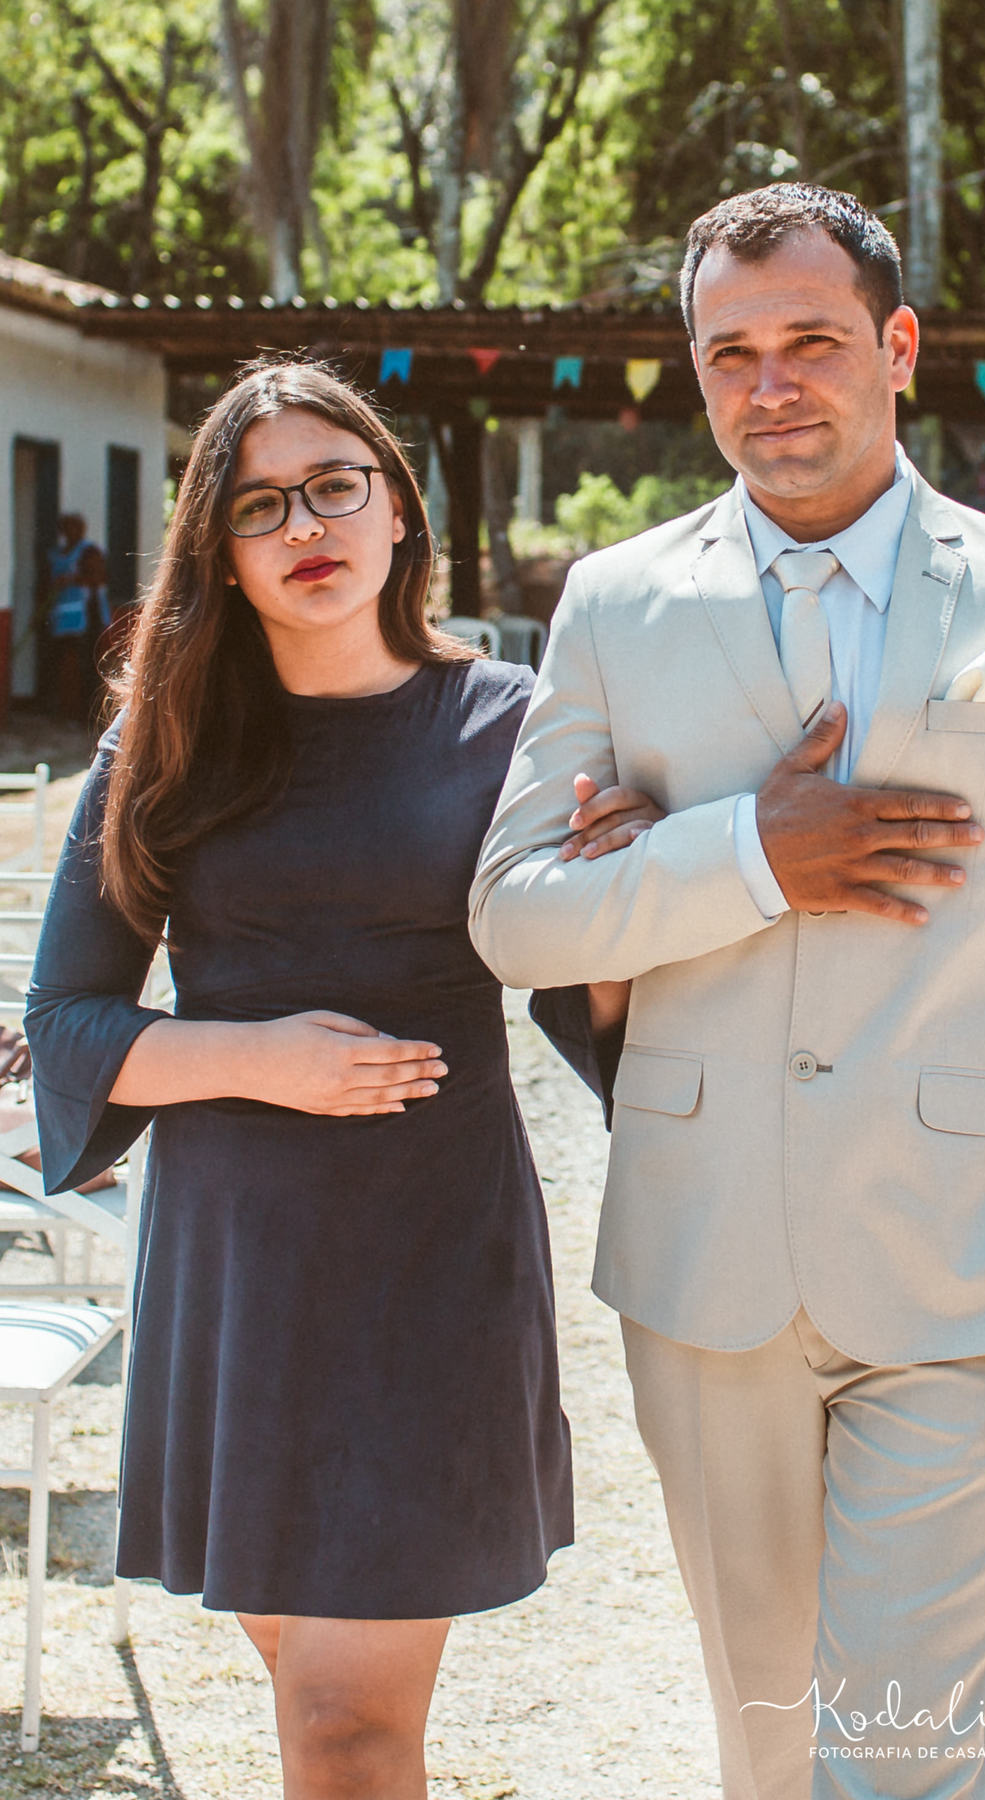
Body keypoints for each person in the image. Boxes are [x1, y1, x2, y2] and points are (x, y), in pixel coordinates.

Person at [469, 184, 985, 1798]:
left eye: (810, 342)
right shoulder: (615, 605)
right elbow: (514, 914)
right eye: (731, 353)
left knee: (903, 1754)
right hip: (703, 1261)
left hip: (966, 1272)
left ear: (897, 347)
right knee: (770, 1746)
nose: (769, 385)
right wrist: (749, 853)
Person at [24, 360, 655, 1800]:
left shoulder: (513, 725)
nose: (304, 522)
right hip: (236, 1268)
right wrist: (263, 1059)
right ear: (221, 556)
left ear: (395, 510)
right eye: (259, 506)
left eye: (334, 484)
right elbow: (65, 1022)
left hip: (431, 1256)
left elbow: (594, 1011)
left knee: (346, 1728)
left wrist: (616, 896)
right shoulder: (162, 740)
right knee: (309, 1703)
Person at [45, 512, 110, 720]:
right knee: (62, 664)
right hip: (61, 618)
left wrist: (73, 580)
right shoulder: (56, 554)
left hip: (86, 618)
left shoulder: (89, 552)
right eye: (67, 528)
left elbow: (99, 578)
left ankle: (86, 714)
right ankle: (64, 710)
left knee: (86, 666)